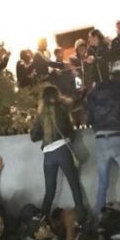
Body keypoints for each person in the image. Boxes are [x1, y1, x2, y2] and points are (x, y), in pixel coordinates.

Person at [86, 61, 120, 215]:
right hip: (118, 137)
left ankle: (99, 216)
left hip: (100, 138)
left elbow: (88, 118)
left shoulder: (95, 90)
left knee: (102, 183)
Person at [30, 86, 86, 218]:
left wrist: (46, 133)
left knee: (50, 190)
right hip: (63, 150)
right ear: (57, 95)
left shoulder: (41, 115)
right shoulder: (62, 109)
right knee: (74, 185)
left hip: (48, 154)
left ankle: (43, 220)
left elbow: (33, 137)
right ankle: (82, 218)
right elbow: (71, 132)